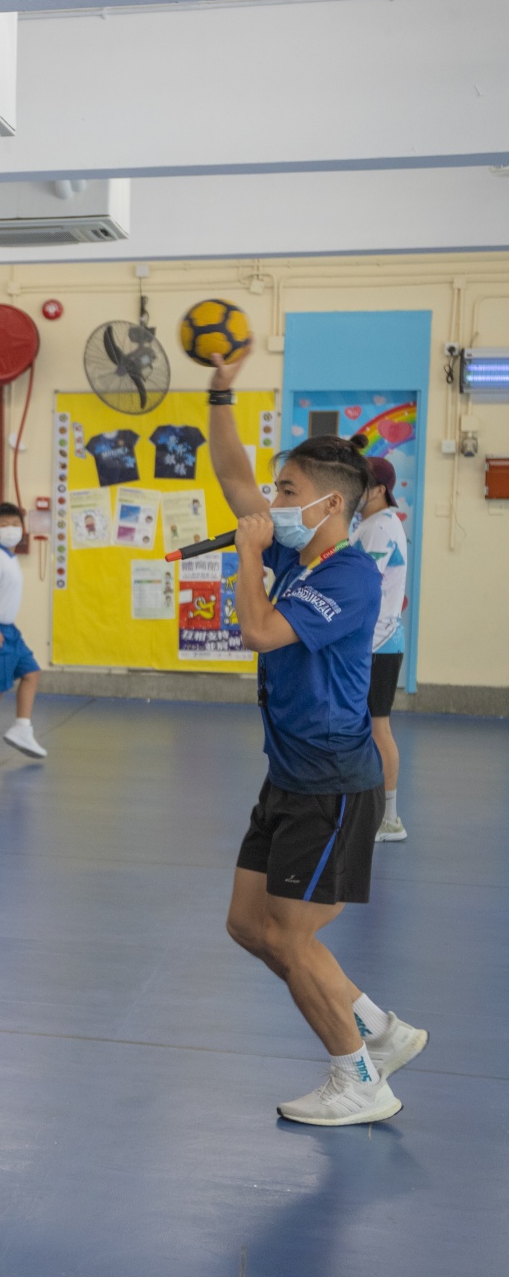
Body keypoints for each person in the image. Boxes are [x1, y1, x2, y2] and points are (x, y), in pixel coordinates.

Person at [205, 350, 426, 1126]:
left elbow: (261, 631)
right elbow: (233, 476)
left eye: (289, 492)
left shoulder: (349, 574)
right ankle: (380, 1030)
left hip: (331, 781)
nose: (273, 502)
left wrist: (247, 556)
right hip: (289, 774)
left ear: (331, 504)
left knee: (292, 940)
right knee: (247, 925)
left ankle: (359, 1079)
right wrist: (220, 394)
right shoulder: (301, 555)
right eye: (277, 490)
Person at [352, 456, 409, 842]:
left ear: (378, 490)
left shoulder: (381, 527)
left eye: (360, 483)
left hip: (380, 644)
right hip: (369, 642)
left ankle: (390, 819)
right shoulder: (369, 524)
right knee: (366, 728)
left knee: (378, 728)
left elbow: (361, 584)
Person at [0, 503, 47, 758]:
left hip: (10, 630)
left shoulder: (10, 557)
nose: (11, 529)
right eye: (4, 525)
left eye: (15, 524)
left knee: (31, 672)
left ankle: (22, 728)